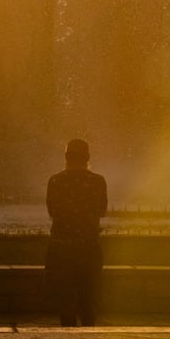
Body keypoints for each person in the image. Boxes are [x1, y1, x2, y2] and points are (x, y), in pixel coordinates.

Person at [45, 138, 108, 326]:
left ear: (66, 157)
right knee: (88, 301)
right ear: (87, 157)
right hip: (89, 248)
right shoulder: (97, 181)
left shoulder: (55, 181)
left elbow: (52, 211)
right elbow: (102, 211)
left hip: (61, 250)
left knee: (66, 301)